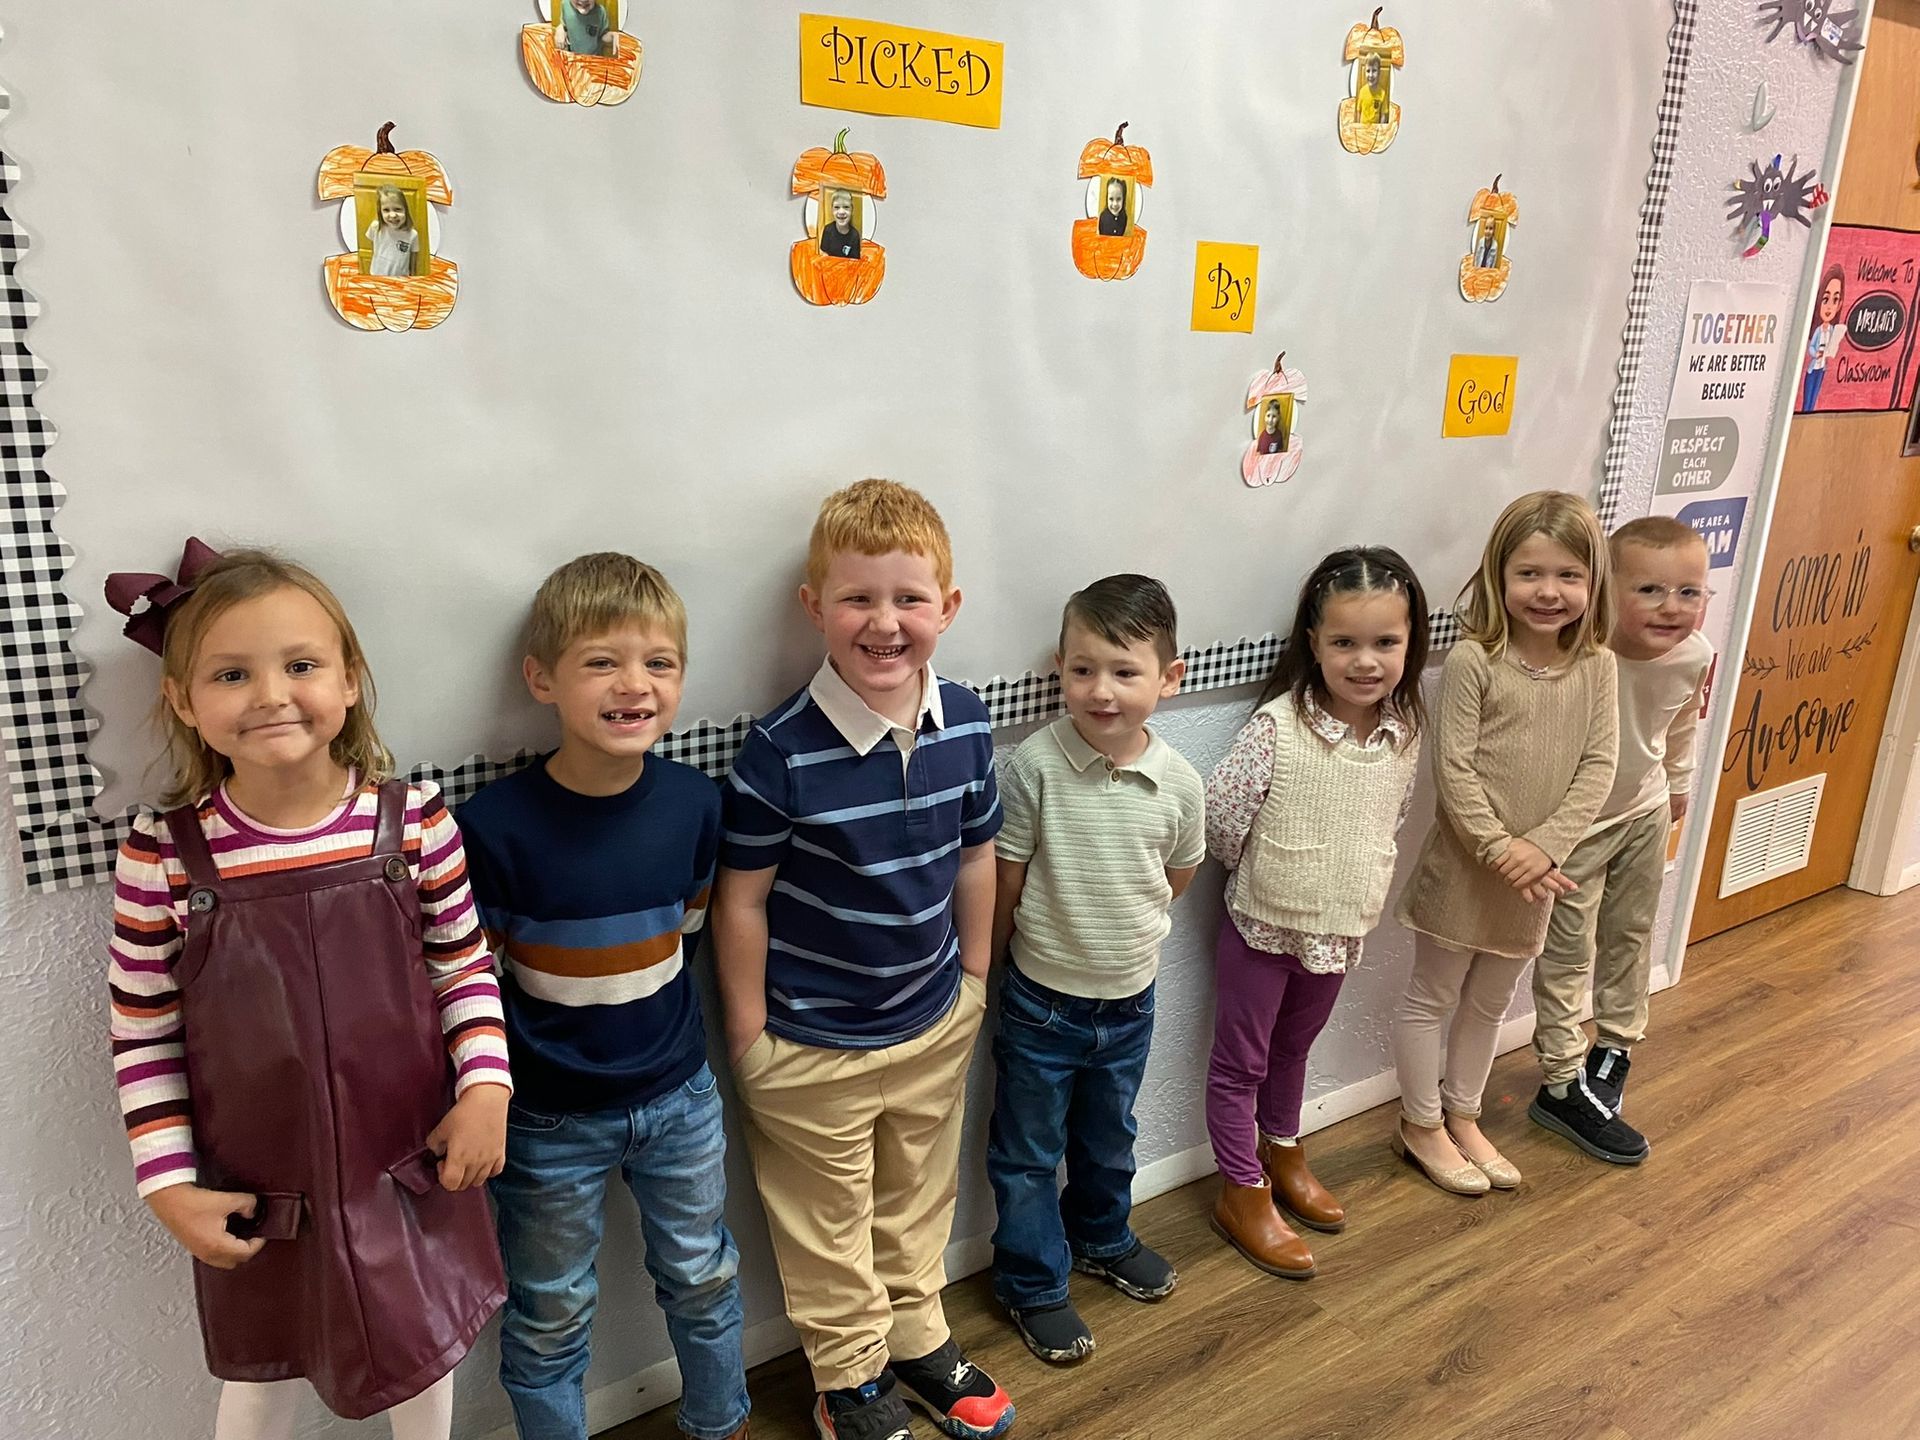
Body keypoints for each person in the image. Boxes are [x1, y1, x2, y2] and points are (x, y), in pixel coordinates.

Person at [103, 543, 509, 1440]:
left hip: (408, 1160)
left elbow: (463, 967)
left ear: (350, 679)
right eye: (231, 674)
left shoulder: (416, 824)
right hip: (260, 1185)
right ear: (182, 700)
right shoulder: (164, 856)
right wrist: (166, 1184)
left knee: (423, 1350)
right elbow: (143, 1031)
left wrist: (487, 1089)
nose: (270, 695)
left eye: (300, 665)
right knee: (263, 1368)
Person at [714, 479, 1013, 1440]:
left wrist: (975, 980)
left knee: (918, 1197)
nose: (884, 624)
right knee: (827, 1222)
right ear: (815, 607)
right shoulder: (779, 751)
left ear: (947, 608)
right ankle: (848, 1376)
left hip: (933, 1020)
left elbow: (976, 857)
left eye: (908, 599)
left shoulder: (968, 722)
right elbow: (741, 899)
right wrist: (751, 1035)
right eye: (858, 599)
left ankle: (918, 1336)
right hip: (810, 1045)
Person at [458, 554, 750, 1440]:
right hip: (546, 1121)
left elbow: (688, 931)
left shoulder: (697, 804)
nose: (634, 684)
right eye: (601, 662)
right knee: (550, 1311)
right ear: (541, 679)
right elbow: (475, 980)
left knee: (702, 1276)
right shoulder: (492, 826)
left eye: (659, 662)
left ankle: (720, 1423)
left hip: (680, 1098)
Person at [986, 575, 1204, 1364]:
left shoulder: (1179, 782)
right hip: (1041, 1002)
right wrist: (992, 968)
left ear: (1169, 678)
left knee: (1110, 1138)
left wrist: (1122, 939)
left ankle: (1102, 1239)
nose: (1101, 690)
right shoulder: (1036, 765)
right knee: (1026, 1152)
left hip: (1130, 1003)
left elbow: (1177, 875)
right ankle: (1032, 1281)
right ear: (1060, 669)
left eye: (1123, 671)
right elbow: (1008, 878)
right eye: (1083, 670)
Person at [1205, 548, 1427, 1276]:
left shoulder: (1403, 734)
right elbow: (1222, 820)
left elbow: (1390, 820)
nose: (1365, 661)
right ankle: (1241, 1189)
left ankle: (1283, 1151)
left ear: (1410, 642)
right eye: (1345, 642)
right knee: (1242, 1061)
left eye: (1385, 642)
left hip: (1339, 931)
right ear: (1314, 642)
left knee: (1293, 1049)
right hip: (1263, 925)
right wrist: (1271, 878)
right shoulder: (1278, 728)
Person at [1391, 491, 1618, 1195]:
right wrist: (1499, 849)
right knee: (1433, 994)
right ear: (1500, 575)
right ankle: (1420, 1124)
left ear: (1592, 582)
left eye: (1568, 575)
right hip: (1467, 868)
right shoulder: (1474, 660)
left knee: (1491, 1001)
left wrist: (1543, 848)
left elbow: (1598, 766)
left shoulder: (1598, 665)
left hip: (1536, 876)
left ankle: (1464, 1114)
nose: (1549, 592)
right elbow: (1453, 770)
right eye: (1530, 573)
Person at [1528, 518, 1712, 1164]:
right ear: (1607, 590)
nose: (1672, 607)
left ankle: (1615, 1047)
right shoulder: (1578, 654)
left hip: (1645, 810)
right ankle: (1559, 1077)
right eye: (1650, 590)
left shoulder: (1694, 655)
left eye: (1689, 592)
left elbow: (1681, 723)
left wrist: (1678, 785)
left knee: (1631, 933)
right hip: (1576, 826)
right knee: (1566, 947)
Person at [1802, 264, 1846, 412]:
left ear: (1839, 305)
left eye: (1835, 300)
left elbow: (1833, 345)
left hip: (1822, 368)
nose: (1829, 307)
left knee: (1815, 394)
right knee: (1808, 398)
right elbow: (1811, 347)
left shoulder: (1832, 330)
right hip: (1813, 366)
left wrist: (1830, 350)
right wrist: (1817, 354)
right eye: (1826, 299)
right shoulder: (1818, 330)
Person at [366, 183, 421, 278]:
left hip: (401, 280)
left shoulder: (412, 235)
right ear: (380, 212)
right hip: (376, 276)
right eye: (386, 210)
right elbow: (374, 249)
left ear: (405, 210)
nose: (392, 215)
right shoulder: (375, 227)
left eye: (397, 209)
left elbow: (413, 262)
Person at [820, 191, 862, 259]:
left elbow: (855, 260)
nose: (841, 212)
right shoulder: (828, 230)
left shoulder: (855, 235)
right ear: (832, 210)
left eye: (846, 207)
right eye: (836, 207)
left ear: (852, 210)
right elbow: (824, 253)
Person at [1356, 53, 1390, 126]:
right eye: (1368, 71)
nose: (1370, 75)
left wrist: (1380, 129)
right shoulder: (1362, 91)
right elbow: (1359, 111)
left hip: (1374, 129)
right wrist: (1358, 126)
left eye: (1374, 71)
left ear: (1379, 72)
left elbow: (1383, 115)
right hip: (1363, 128)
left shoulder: (1382, 93)